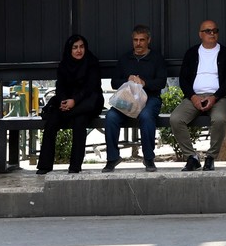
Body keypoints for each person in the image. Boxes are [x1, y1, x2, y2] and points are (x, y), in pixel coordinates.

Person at [172, 20, 226, 171]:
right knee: (176, 119)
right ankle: (191, 157)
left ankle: (210, 157)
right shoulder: (191, 53)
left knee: (219, 119)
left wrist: (214, 97)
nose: (212, 33)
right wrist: (193, 97)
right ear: (200, 34)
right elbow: (183, 80)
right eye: (208, 31)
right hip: (194, 97)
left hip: (219, 97)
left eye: (215, 30)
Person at [103, 25, 168, 172]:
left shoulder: (156, 58)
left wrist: (144, 83)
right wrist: (127, 79)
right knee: (111, 116)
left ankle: (149, 158)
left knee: (146, 116)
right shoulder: (125, 58)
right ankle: (112, 158)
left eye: (142, 40)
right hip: (127, 100)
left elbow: (161, 83)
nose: (138, 43)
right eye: (135, 40)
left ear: (148, 40)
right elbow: (114, 83)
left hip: (150, 98)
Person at [37, 35, 103, 174]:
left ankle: (75, 166)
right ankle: (44, 166)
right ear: (69, 50)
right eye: (75, 47)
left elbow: (90, 88)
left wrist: (74, 101)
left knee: (80, 121)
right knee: (52, 122)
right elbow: (60, 86)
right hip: (67, 103)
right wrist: (63, 101)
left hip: (87, 102)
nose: (79, 50)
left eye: (81, 47)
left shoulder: (91, 62)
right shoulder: (64, 64)